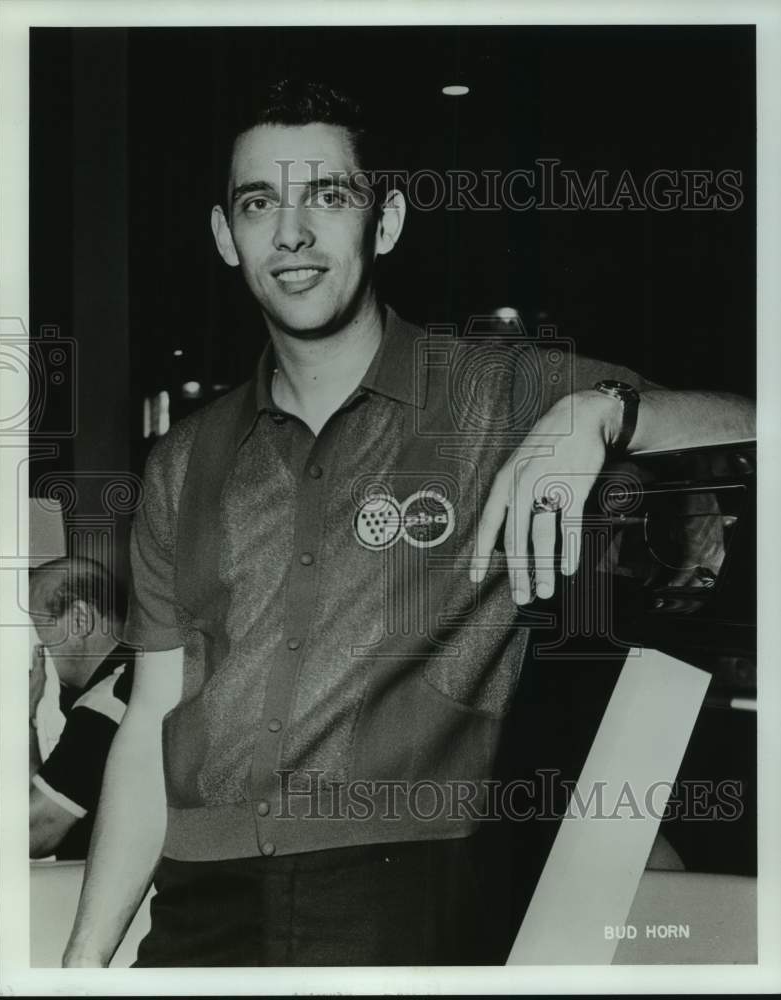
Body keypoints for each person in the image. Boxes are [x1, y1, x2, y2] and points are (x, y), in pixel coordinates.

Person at [62, 79, 754, 967]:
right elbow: (151, 721)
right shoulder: (183, 461)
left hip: (401, 899)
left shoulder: (493, 396)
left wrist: (604, 414)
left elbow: (751, 419)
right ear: (224, 237)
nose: (293, 232)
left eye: (329, 196)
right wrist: (81, 969)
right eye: (259, 201)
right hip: (199, 908)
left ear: (383, 223)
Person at [29, 556, 134, 860]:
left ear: (79, 620)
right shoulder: (137, 676)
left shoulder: (110, 698)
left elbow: (33, 832)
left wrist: (24, 717)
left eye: (36, 629)